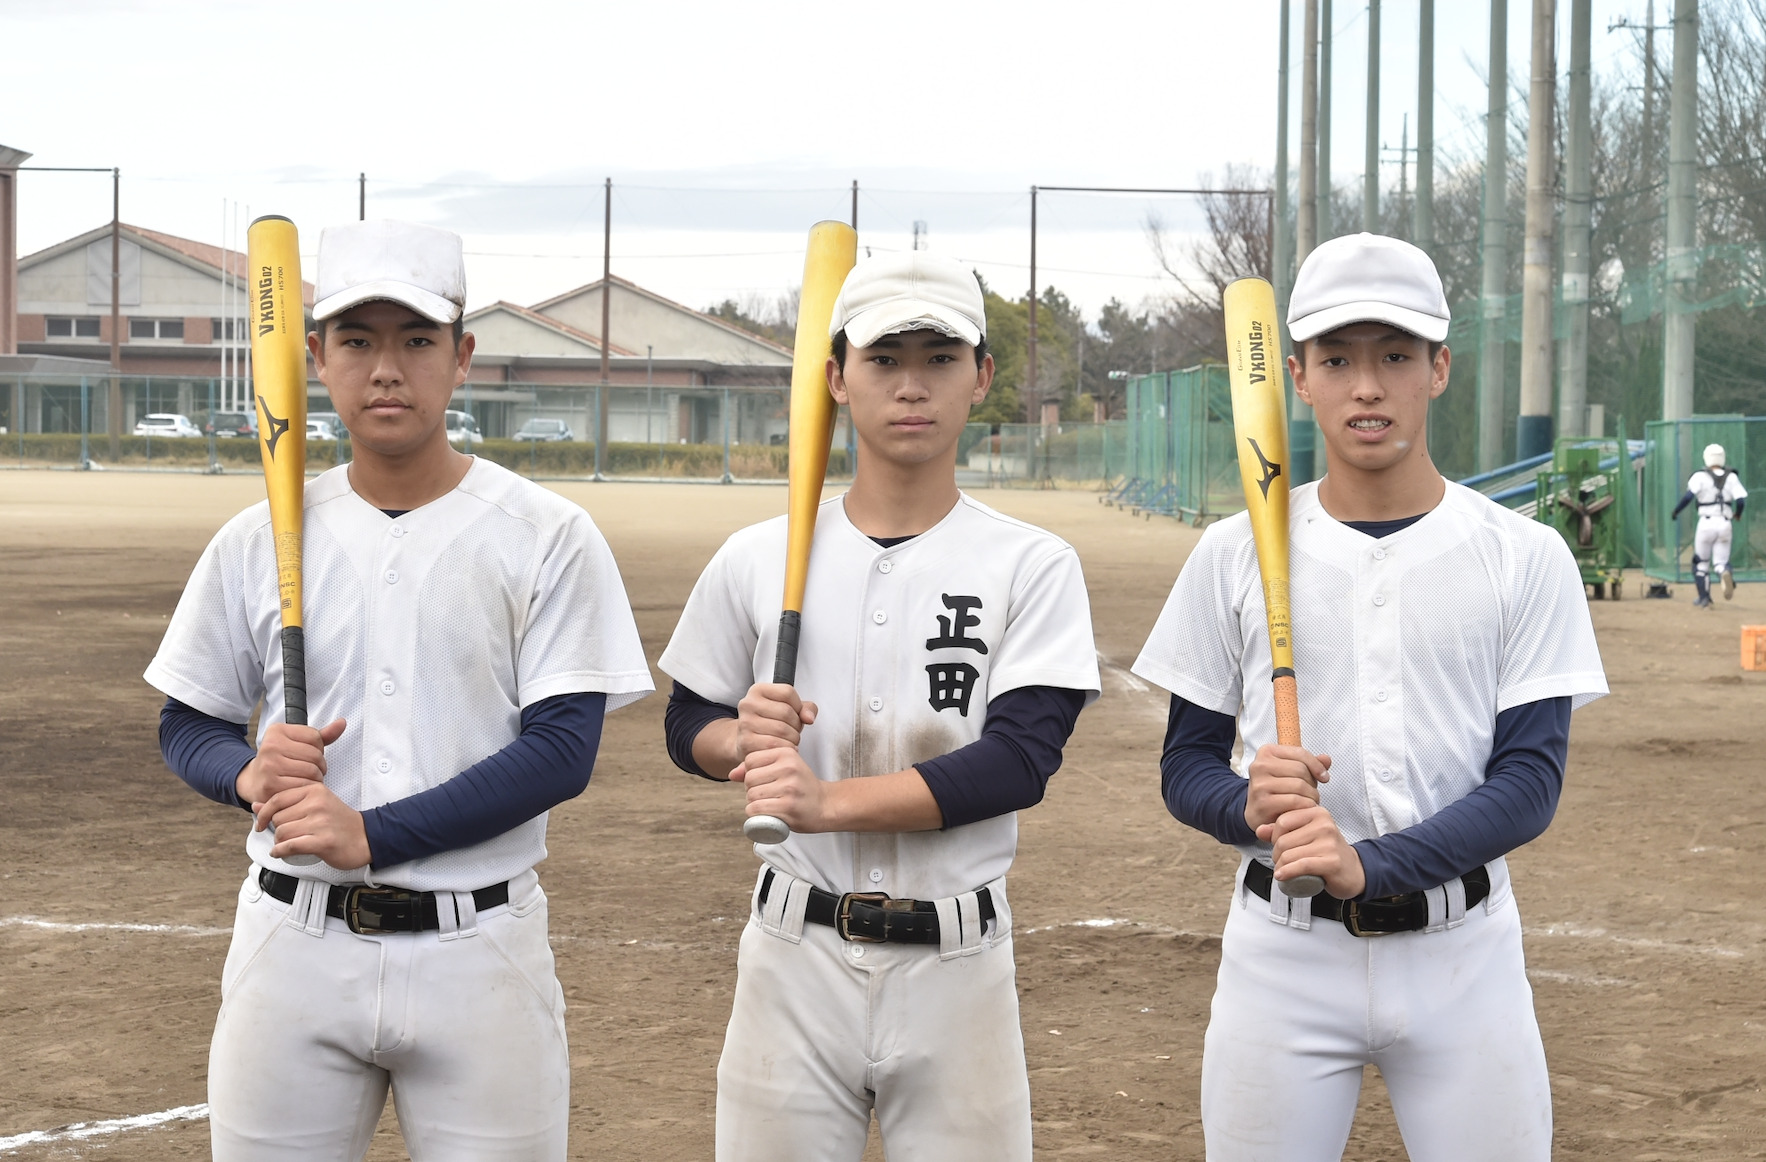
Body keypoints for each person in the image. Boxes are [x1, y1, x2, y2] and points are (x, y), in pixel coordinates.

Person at [144, 219, 652, 1161]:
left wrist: (373, 833)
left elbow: (560, 752)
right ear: (314, 359)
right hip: (292, 948)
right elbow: (188, 721)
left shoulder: (546, 533)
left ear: (462, 359)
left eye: (417, 340)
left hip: (481, 948)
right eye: (358, 341)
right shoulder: (258, 536)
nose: (387, 368)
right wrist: (246, 776)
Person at [1133, 233, 1608, 1161]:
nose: (1367, 385)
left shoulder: (1524, 555)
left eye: (1394, 356)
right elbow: (1185, 765)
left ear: (1438, 368)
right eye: (1338, 359)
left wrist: (1369, 865)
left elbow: (1529, 783)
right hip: (1283, 956)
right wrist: (1248, 804)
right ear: (1299, 379)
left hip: (1465, 956)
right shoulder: (1233, 553)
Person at [657, 251, 1100, 1162]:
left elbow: (1021, 760)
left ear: (981, 377)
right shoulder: (759, 555)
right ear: (836, 378)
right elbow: (684, 722)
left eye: (940, 359)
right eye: (884, 359)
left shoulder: (1031, 563)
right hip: (792, 954)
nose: (912, 386)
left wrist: (824, 802)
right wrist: (737, 741)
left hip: (959, 961)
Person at [1671, 443, 1747, 606]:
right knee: (1720, 562)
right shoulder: (1732, 477)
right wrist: (1738, 515)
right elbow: (1740, 501)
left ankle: (1705, 598)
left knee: (1701, 563)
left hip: (1706, 523)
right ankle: (1724, 572)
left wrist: (1676, 511)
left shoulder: (1700, 476)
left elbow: (1688, 498)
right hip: (1725, 523)